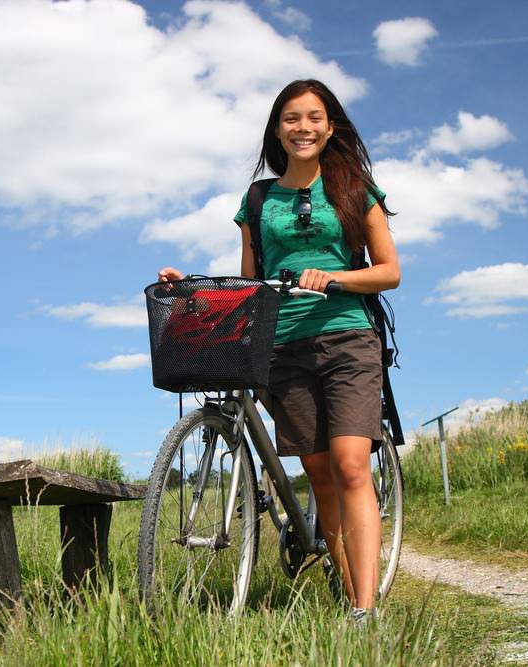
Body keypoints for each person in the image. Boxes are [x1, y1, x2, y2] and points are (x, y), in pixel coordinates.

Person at [158, 79, 400, 621]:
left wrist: (335, 277)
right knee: (318, 473)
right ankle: (346, 584)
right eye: (291, 118)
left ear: (330, 127)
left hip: (347, 338)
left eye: (314, 118)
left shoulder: (354, 188)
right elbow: (249, 286)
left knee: (350, 464)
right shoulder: (258, 200)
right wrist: (190, 287)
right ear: (277, 130)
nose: (303, 128)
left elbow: (389, 272)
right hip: (282, 348)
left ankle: (364, 611)